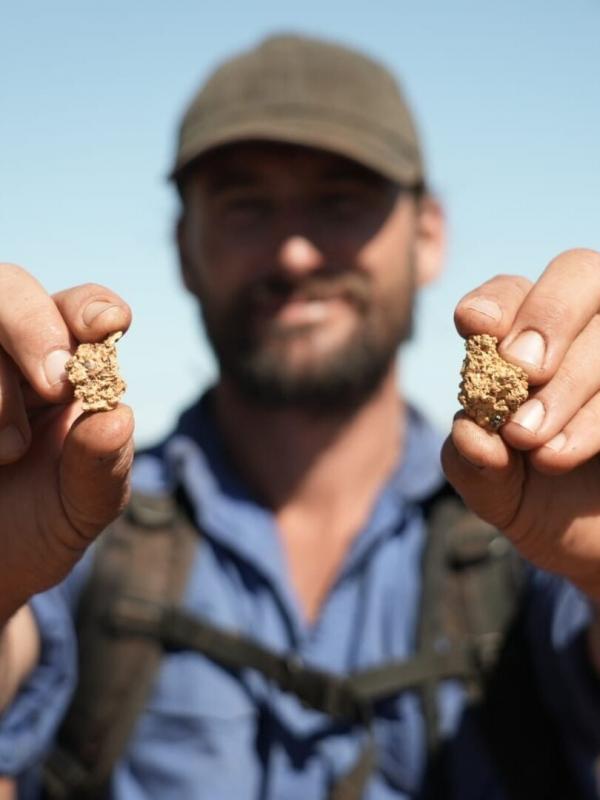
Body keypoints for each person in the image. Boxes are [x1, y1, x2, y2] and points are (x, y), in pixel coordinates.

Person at [2, 32, 600, 799]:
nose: (294, 254)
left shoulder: (529, 539)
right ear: (185, 248)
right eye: (246, 205)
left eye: (340, 202)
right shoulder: (79, 524)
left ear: (427, 237)